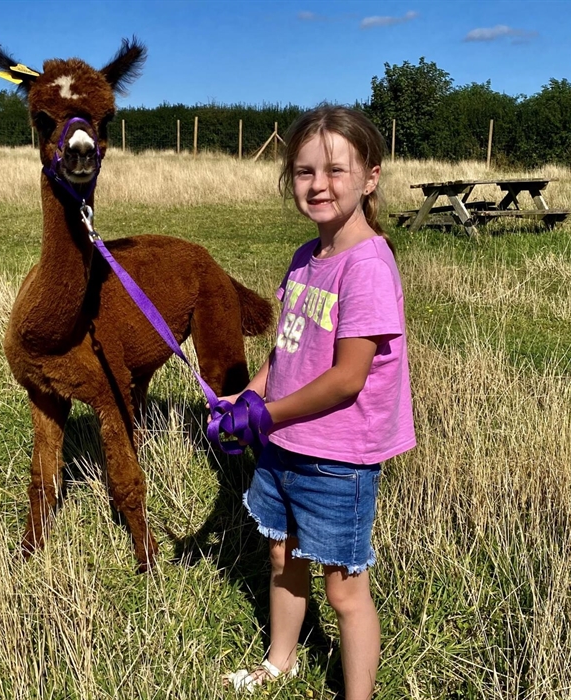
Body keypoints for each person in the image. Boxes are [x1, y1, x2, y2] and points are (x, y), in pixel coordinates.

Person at [221, 105, 416, 698]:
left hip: (337, 458)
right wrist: (249, 395)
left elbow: (347, 379)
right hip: (283, 445)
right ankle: (281, 661)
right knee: (283, 559)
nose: (319, 185)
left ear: (371, 177)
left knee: (344, 591)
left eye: (335, 170)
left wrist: (266, 415)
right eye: (305, 171)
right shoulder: (307, 258)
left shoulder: (367, 267)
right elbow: (286, 348)